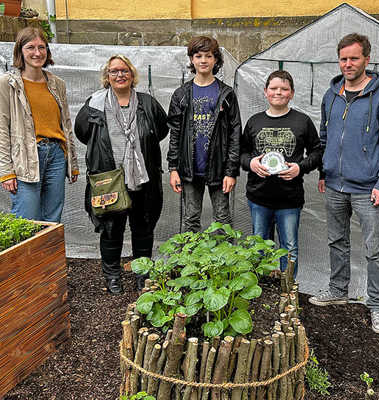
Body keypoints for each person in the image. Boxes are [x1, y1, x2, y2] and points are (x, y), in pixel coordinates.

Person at [309, 33, 379, 334]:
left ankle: (377, 305)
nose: (348, 64)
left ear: (366, 59)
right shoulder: (330, 95)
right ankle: (338, 291)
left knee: (374, 248)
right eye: (343, 58)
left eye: (354, 58)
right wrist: (324, 172)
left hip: (368, 187)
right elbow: (326, 140)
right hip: (335, 185)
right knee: (337, 241)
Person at [75, 55, 168, 295]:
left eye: (124, 71)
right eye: (114, 71)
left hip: (143, 178)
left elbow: (159, 130)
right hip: (109, 179)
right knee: (111, 229)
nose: (120, 75)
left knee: (143, 228)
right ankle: (112, 275)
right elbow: (83, 132)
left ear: (132, 74)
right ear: (107, 76)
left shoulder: (147, 103)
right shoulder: (94, 104)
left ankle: (142, 274)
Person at [240, 70, 322, 278]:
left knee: (289, 247)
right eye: (274, 88)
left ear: (292, 93)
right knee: (259, 247)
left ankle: (288, 292)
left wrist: (300, 168)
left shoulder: (302, 121)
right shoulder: (254, 121)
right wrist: (250, 163)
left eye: (284, 89)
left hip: (289, 199)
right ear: (265, 92)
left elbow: (317, 151)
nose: (279, 92)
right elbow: (241, 153)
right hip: (259, 197)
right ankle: (259, 291)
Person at [0, 27, 79, 222]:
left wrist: (73, 163)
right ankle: (25, 255)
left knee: (52, 219)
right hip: (25, 157)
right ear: (20, 51)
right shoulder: (7, 84)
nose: (37, 53)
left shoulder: (57, 84)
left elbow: (66, 125)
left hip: (56, 157)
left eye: (42, 47)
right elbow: (1, 129)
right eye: (30, 47)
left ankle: (48, 254)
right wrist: (6, 171)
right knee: (27, 218)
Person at [167, 36, 241, 232]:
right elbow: (175, 134)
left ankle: (223, 263)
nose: (203, 60)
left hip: (219, 168)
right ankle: (190, 262)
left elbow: (235, 133)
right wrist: (173, 168)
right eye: (198, 55)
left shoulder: (226, 93)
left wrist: (231, 171)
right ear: (191, 59)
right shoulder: (181, 94)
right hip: (190, 169)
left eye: (208, 56)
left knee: (223, 220)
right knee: (190, 219)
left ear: (215, 59)